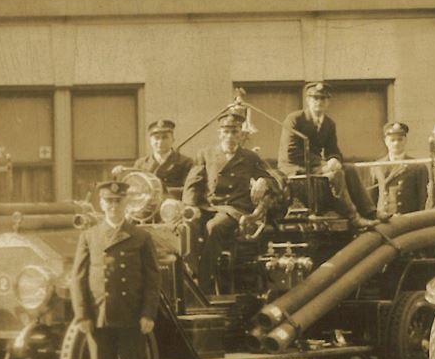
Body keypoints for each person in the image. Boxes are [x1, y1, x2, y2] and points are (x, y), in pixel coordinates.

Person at [65, 177, 161, 359]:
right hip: (100, 315)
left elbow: (152, 280)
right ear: (101, 203)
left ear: (126, 203)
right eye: (109, 201)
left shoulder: (140, 237)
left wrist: (148, 314)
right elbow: (78, 279)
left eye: (118, 201)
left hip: (131, 315)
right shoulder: (90, 236)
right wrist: (82, 315)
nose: (114, 206)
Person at [185, 109, 276, 291]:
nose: (230, 136)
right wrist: (189, 207)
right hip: (208, 206)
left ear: (241, 134)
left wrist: (263, 181)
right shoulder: (206, 154)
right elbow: (193, 182)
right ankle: (190, 273)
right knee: (186, 226)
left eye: (234, 132)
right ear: (219, 133)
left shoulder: (249, 157)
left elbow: (272, 179)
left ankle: (204, 284)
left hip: (234, 209)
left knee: (214, 227)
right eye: (226, 132)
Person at [278, 82, 357, 219]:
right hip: (293, 166)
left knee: (350, 169)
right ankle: (351, 216)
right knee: (335, 175)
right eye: (315, 98)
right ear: (307, 100)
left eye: (323, 98)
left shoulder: (329, 124)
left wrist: (334, 159)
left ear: (328, 102)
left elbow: (333, 149)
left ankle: (370, 212)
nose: (319, 102)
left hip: (315, 167)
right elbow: (291, 152)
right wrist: (323, 164)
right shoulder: (295, 119)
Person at [363, 121, 431, 222]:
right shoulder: (377, 166)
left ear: (405, 140)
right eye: (392, 140)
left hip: (407, 219)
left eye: (400, 139)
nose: (396, 143)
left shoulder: (417, 166)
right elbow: (371, 198)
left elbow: (422, 198)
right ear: (386, 141)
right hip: (384, 219)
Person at [130, 117, 195, 212]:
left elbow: (189, 190)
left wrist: (163, 193)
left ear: (173, 139)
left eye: (165, 137)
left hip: (173, 208)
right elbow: (134, 188)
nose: (160, 142)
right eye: (156, 138)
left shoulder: (185, 162)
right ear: (150, 141)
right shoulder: (141, 164)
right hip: (146, 209)